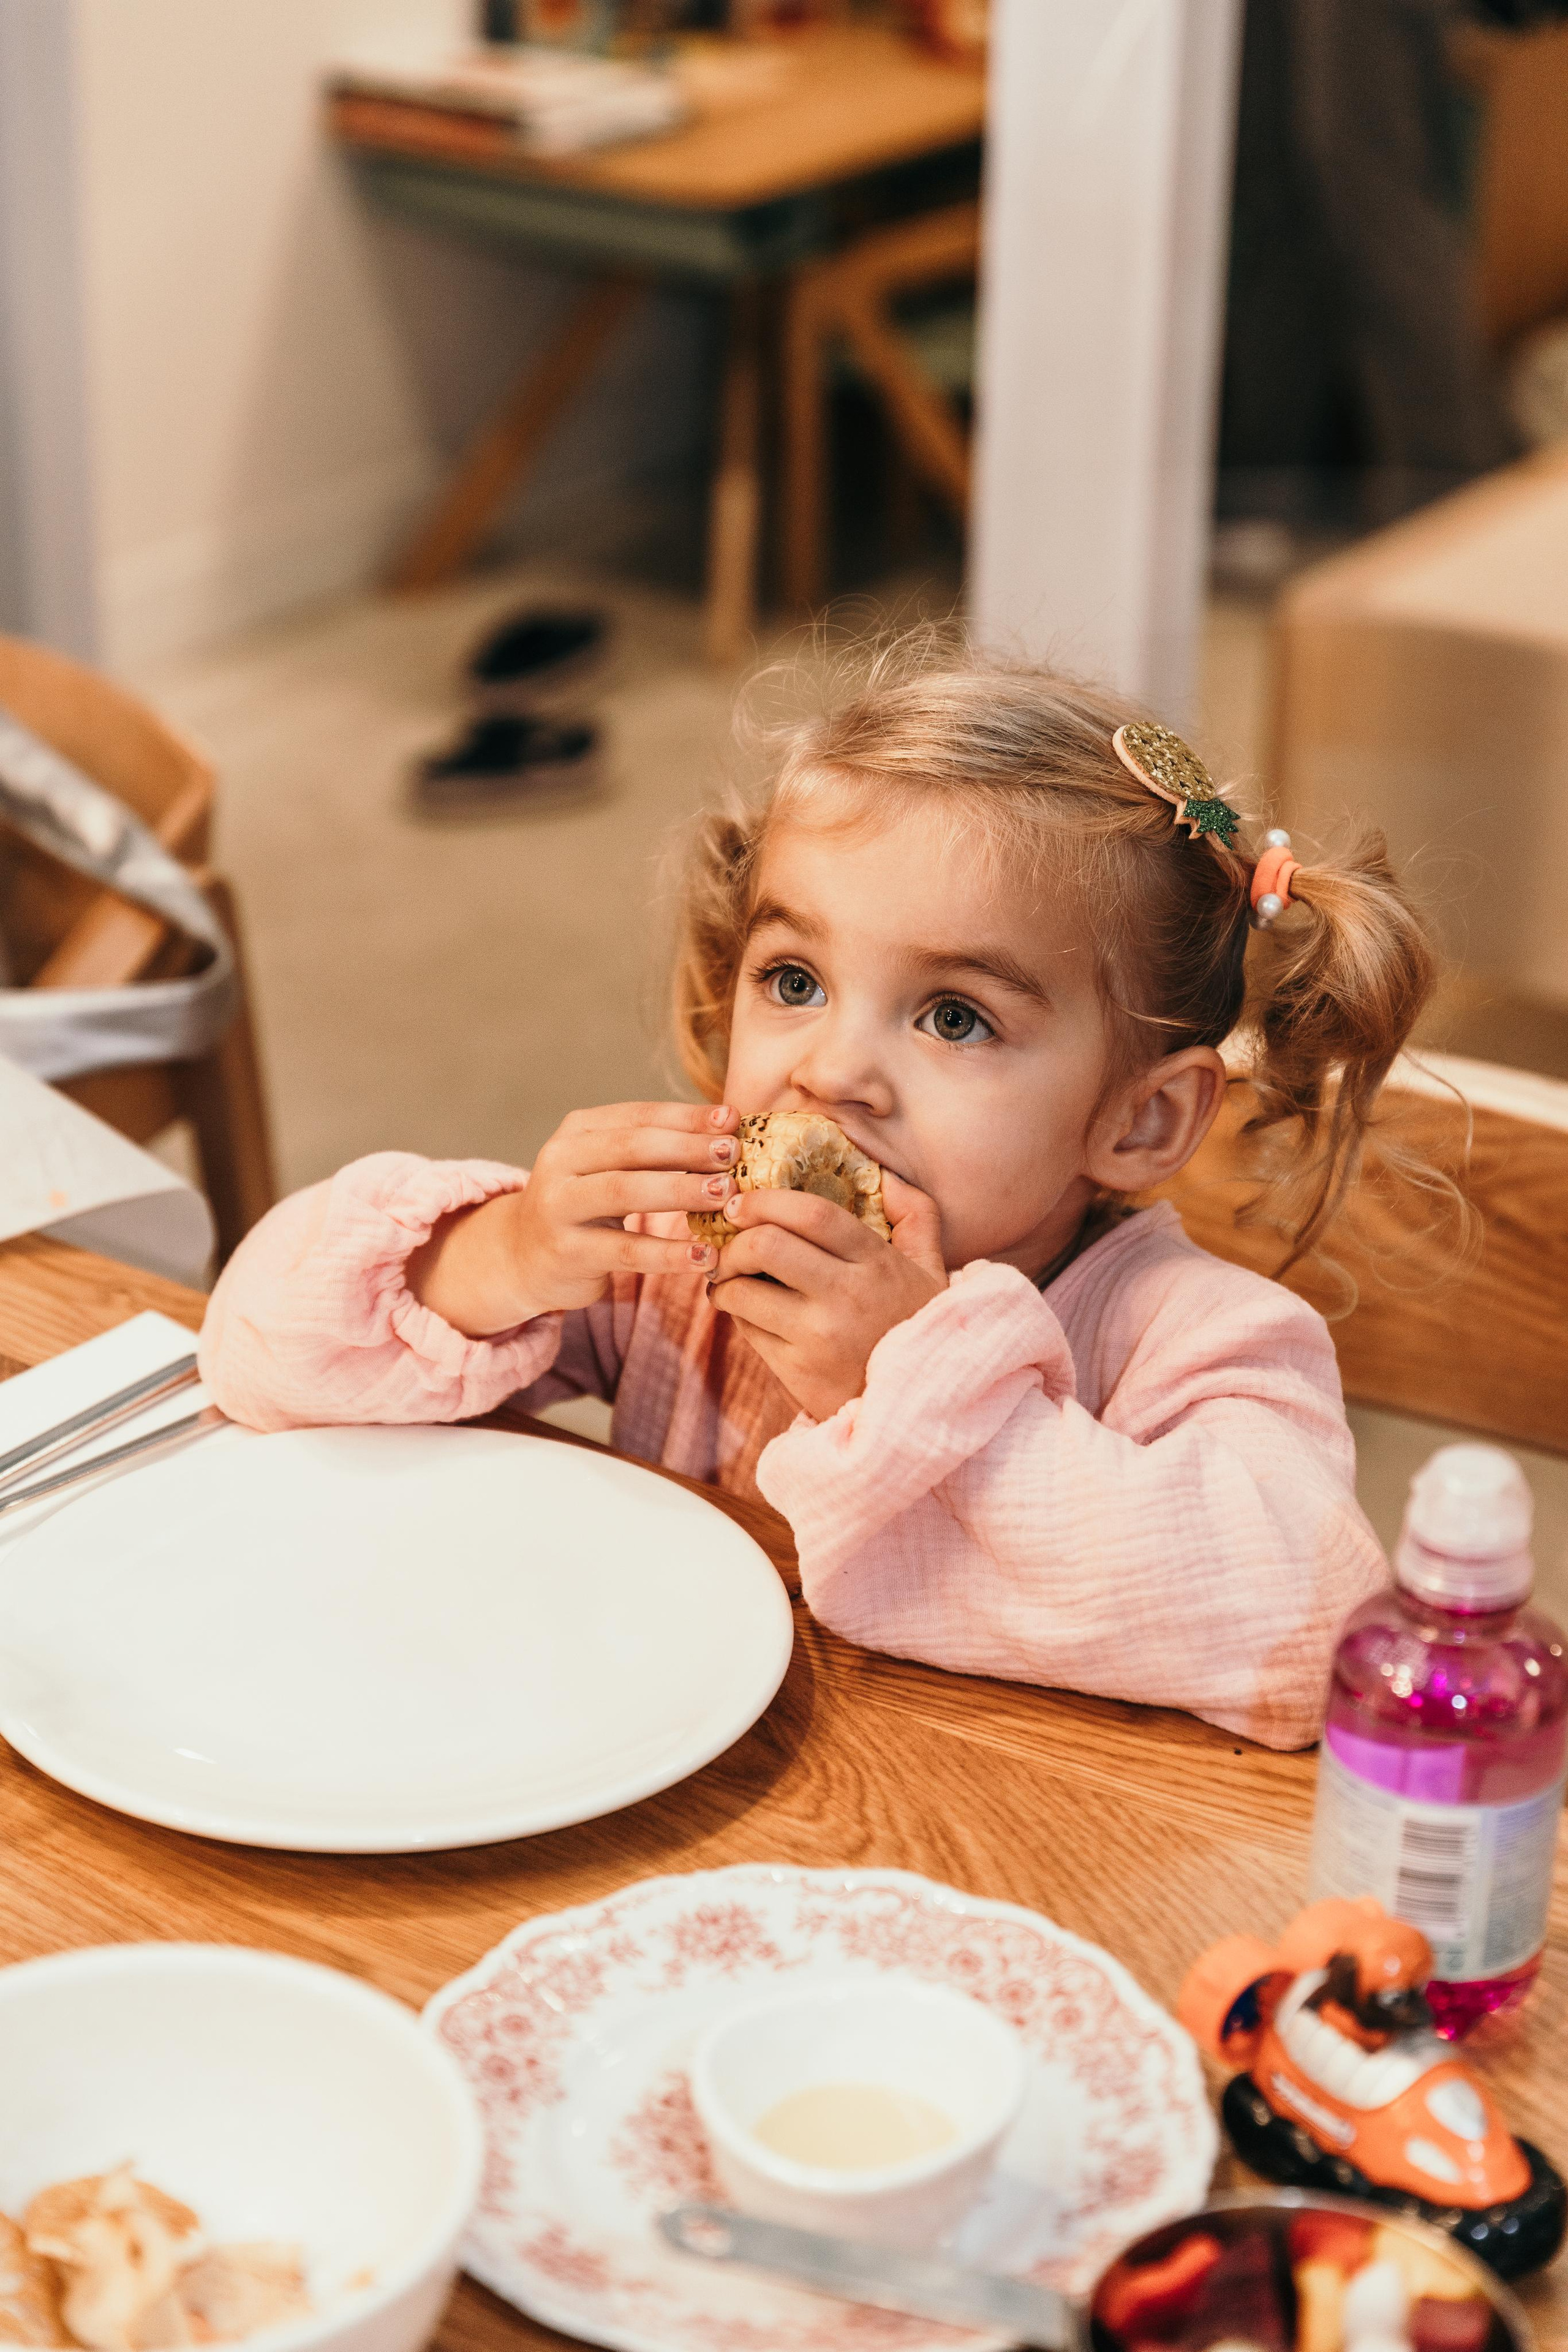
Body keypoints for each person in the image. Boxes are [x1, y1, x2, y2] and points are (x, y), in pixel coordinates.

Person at [199, 649, 1437, 1749]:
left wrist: (913, 1379)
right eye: (792, 980)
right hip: (651, 1765)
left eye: (954, 1016)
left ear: (1138, 1118)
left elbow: (1308, 1636)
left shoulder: (1189, 1338)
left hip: (1003, 1840)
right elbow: (260, 1357)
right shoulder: (670, 1268)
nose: (830, 1069)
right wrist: (493, 1260)